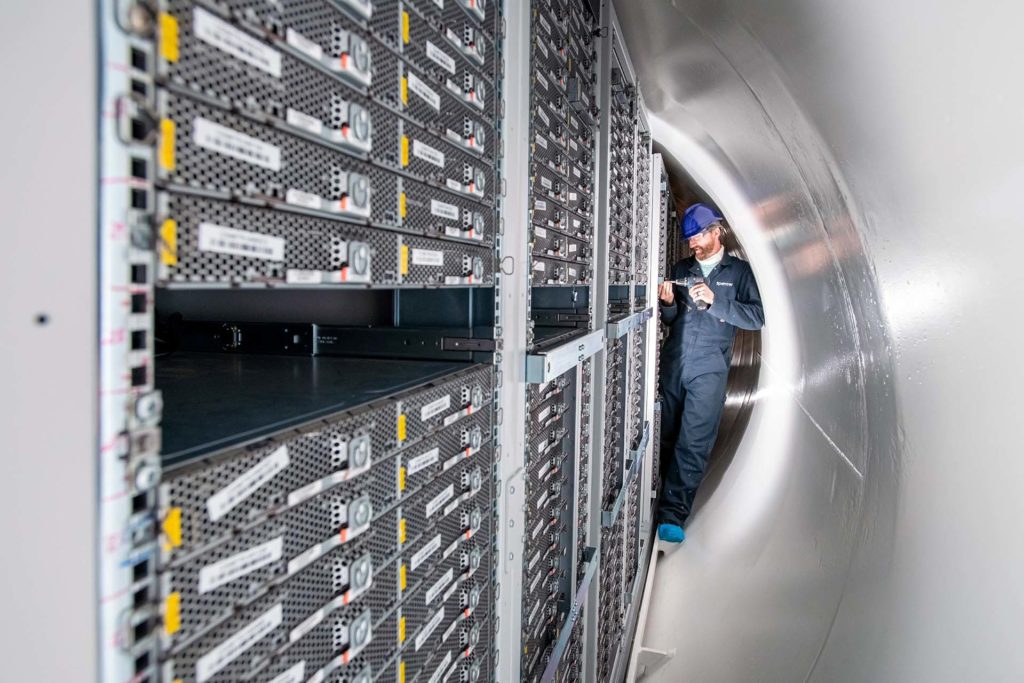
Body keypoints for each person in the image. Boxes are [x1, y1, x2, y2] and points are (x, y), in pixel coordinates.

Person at [656, 203, 764, 543]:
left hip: (710, 369)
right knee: (666, 431)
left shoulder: (740, 273)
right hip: (675, 363)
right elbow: (671, 321)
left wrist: (716, 300)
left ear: (717, 231)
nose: (693, 245)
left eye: (698, 236)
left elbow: (756, 317)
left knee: (694, 440)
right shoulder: (682, 267)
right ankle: (654, 492)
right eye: (689, 239)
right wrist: (668, 304)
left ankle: (673, 513)